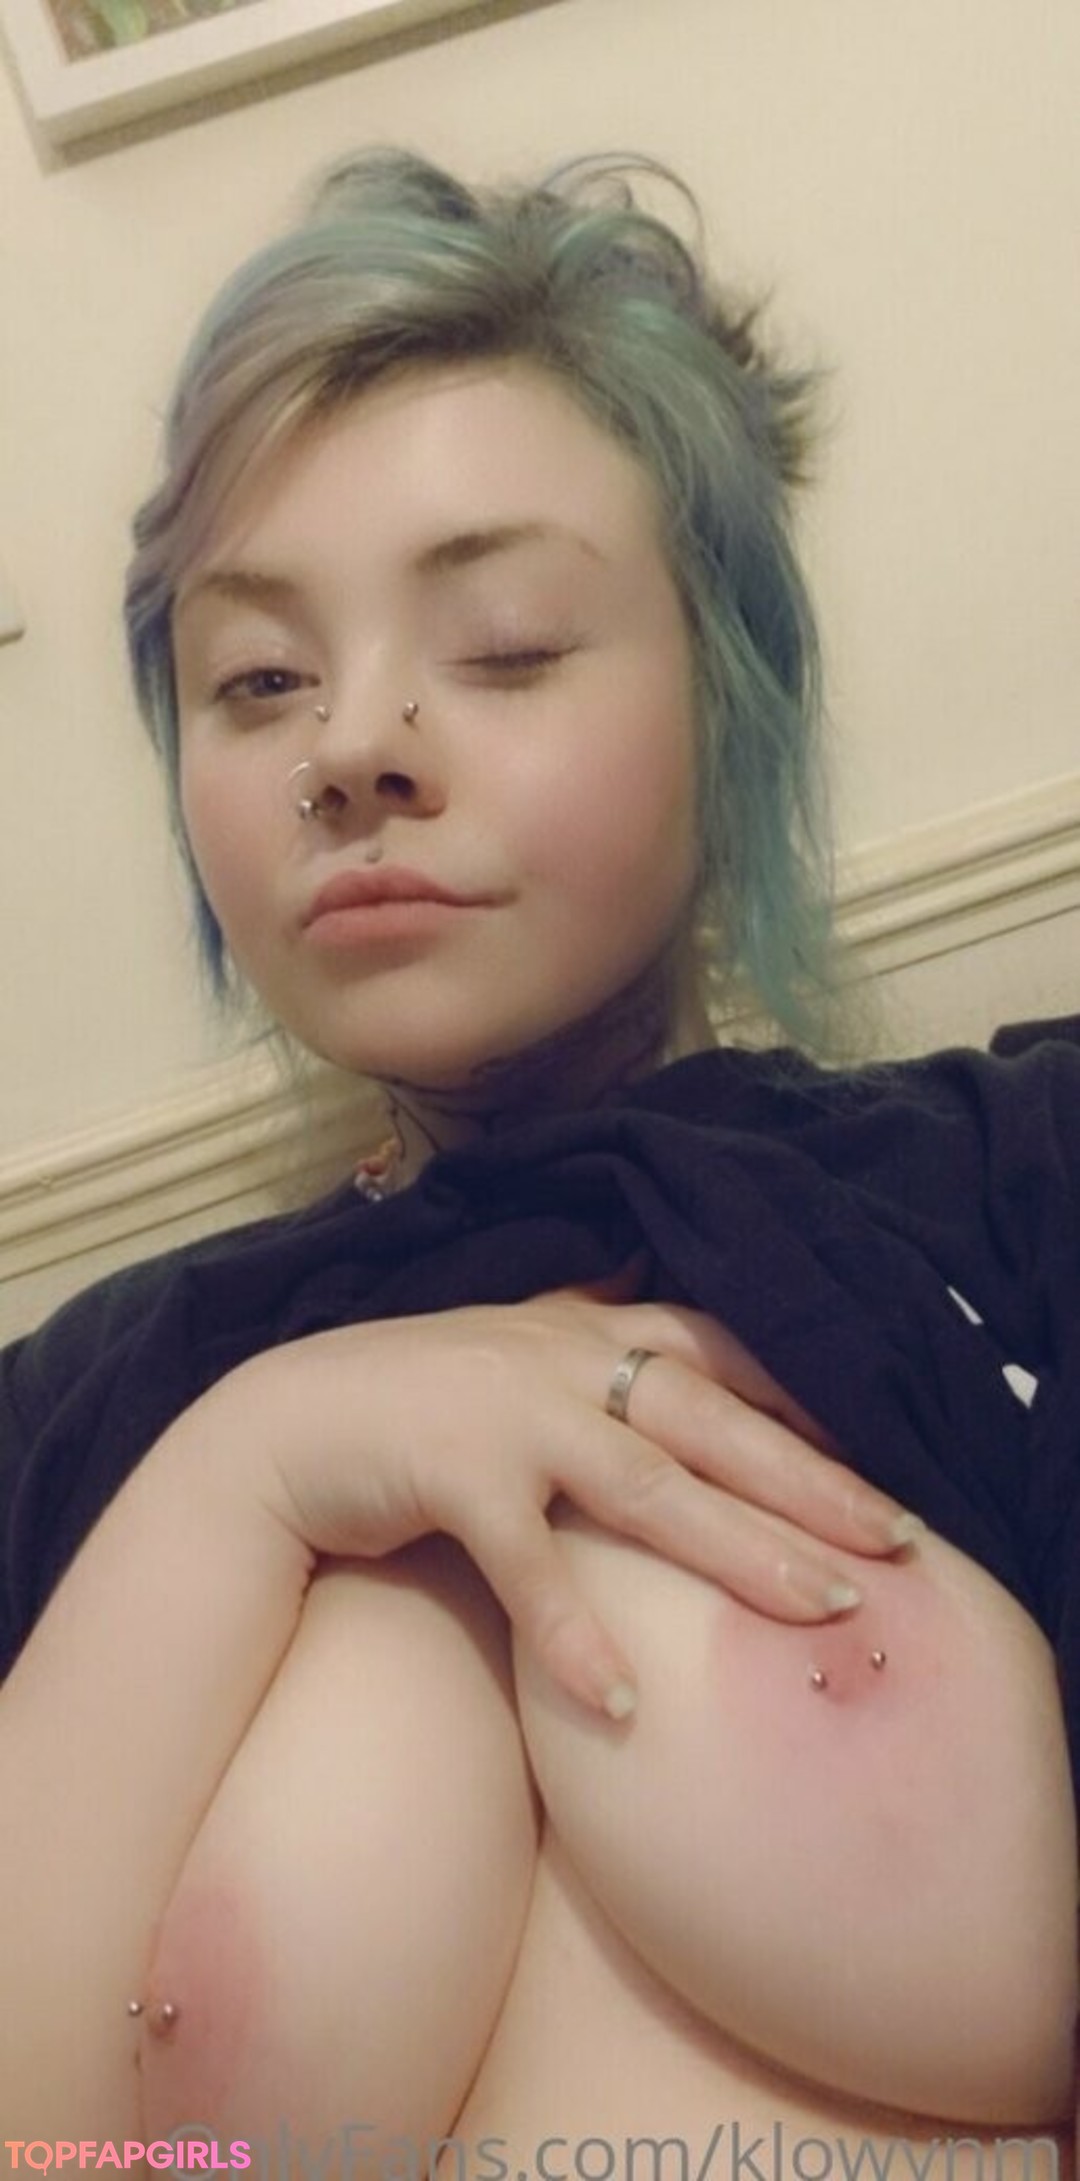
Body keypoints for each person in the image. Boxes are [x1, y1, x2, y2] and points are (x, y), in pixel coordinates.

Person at [1, 149, 1078, 2158]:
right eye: (257, 680)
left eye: (501, 643)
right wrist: (252, 1465)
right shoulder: (72, 1419)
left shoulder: (1023, 1181)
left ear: (730, 696)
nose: (353, 746)